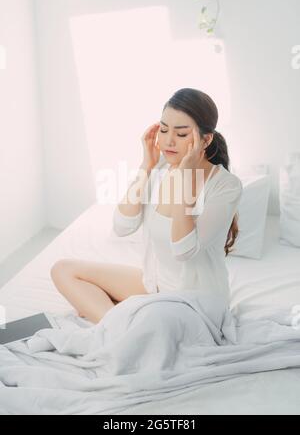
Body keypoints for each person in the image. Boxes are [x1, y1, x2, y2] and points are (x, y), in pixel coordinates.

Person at [51, 88, 243, 324]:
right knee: (63, 270)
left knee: (145, 323)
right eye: (163, 129)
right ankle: (116, 325)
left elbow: (183, 251)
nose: (169, 141)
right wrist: (146, 166)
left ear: (205, 140)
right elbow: (122, 226)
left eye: (182, 134)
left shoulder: (226, 186)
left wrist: (184, 179)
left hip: (195, 303)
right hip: (155, 285)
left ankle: (117, 322)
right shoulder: (160, 167)